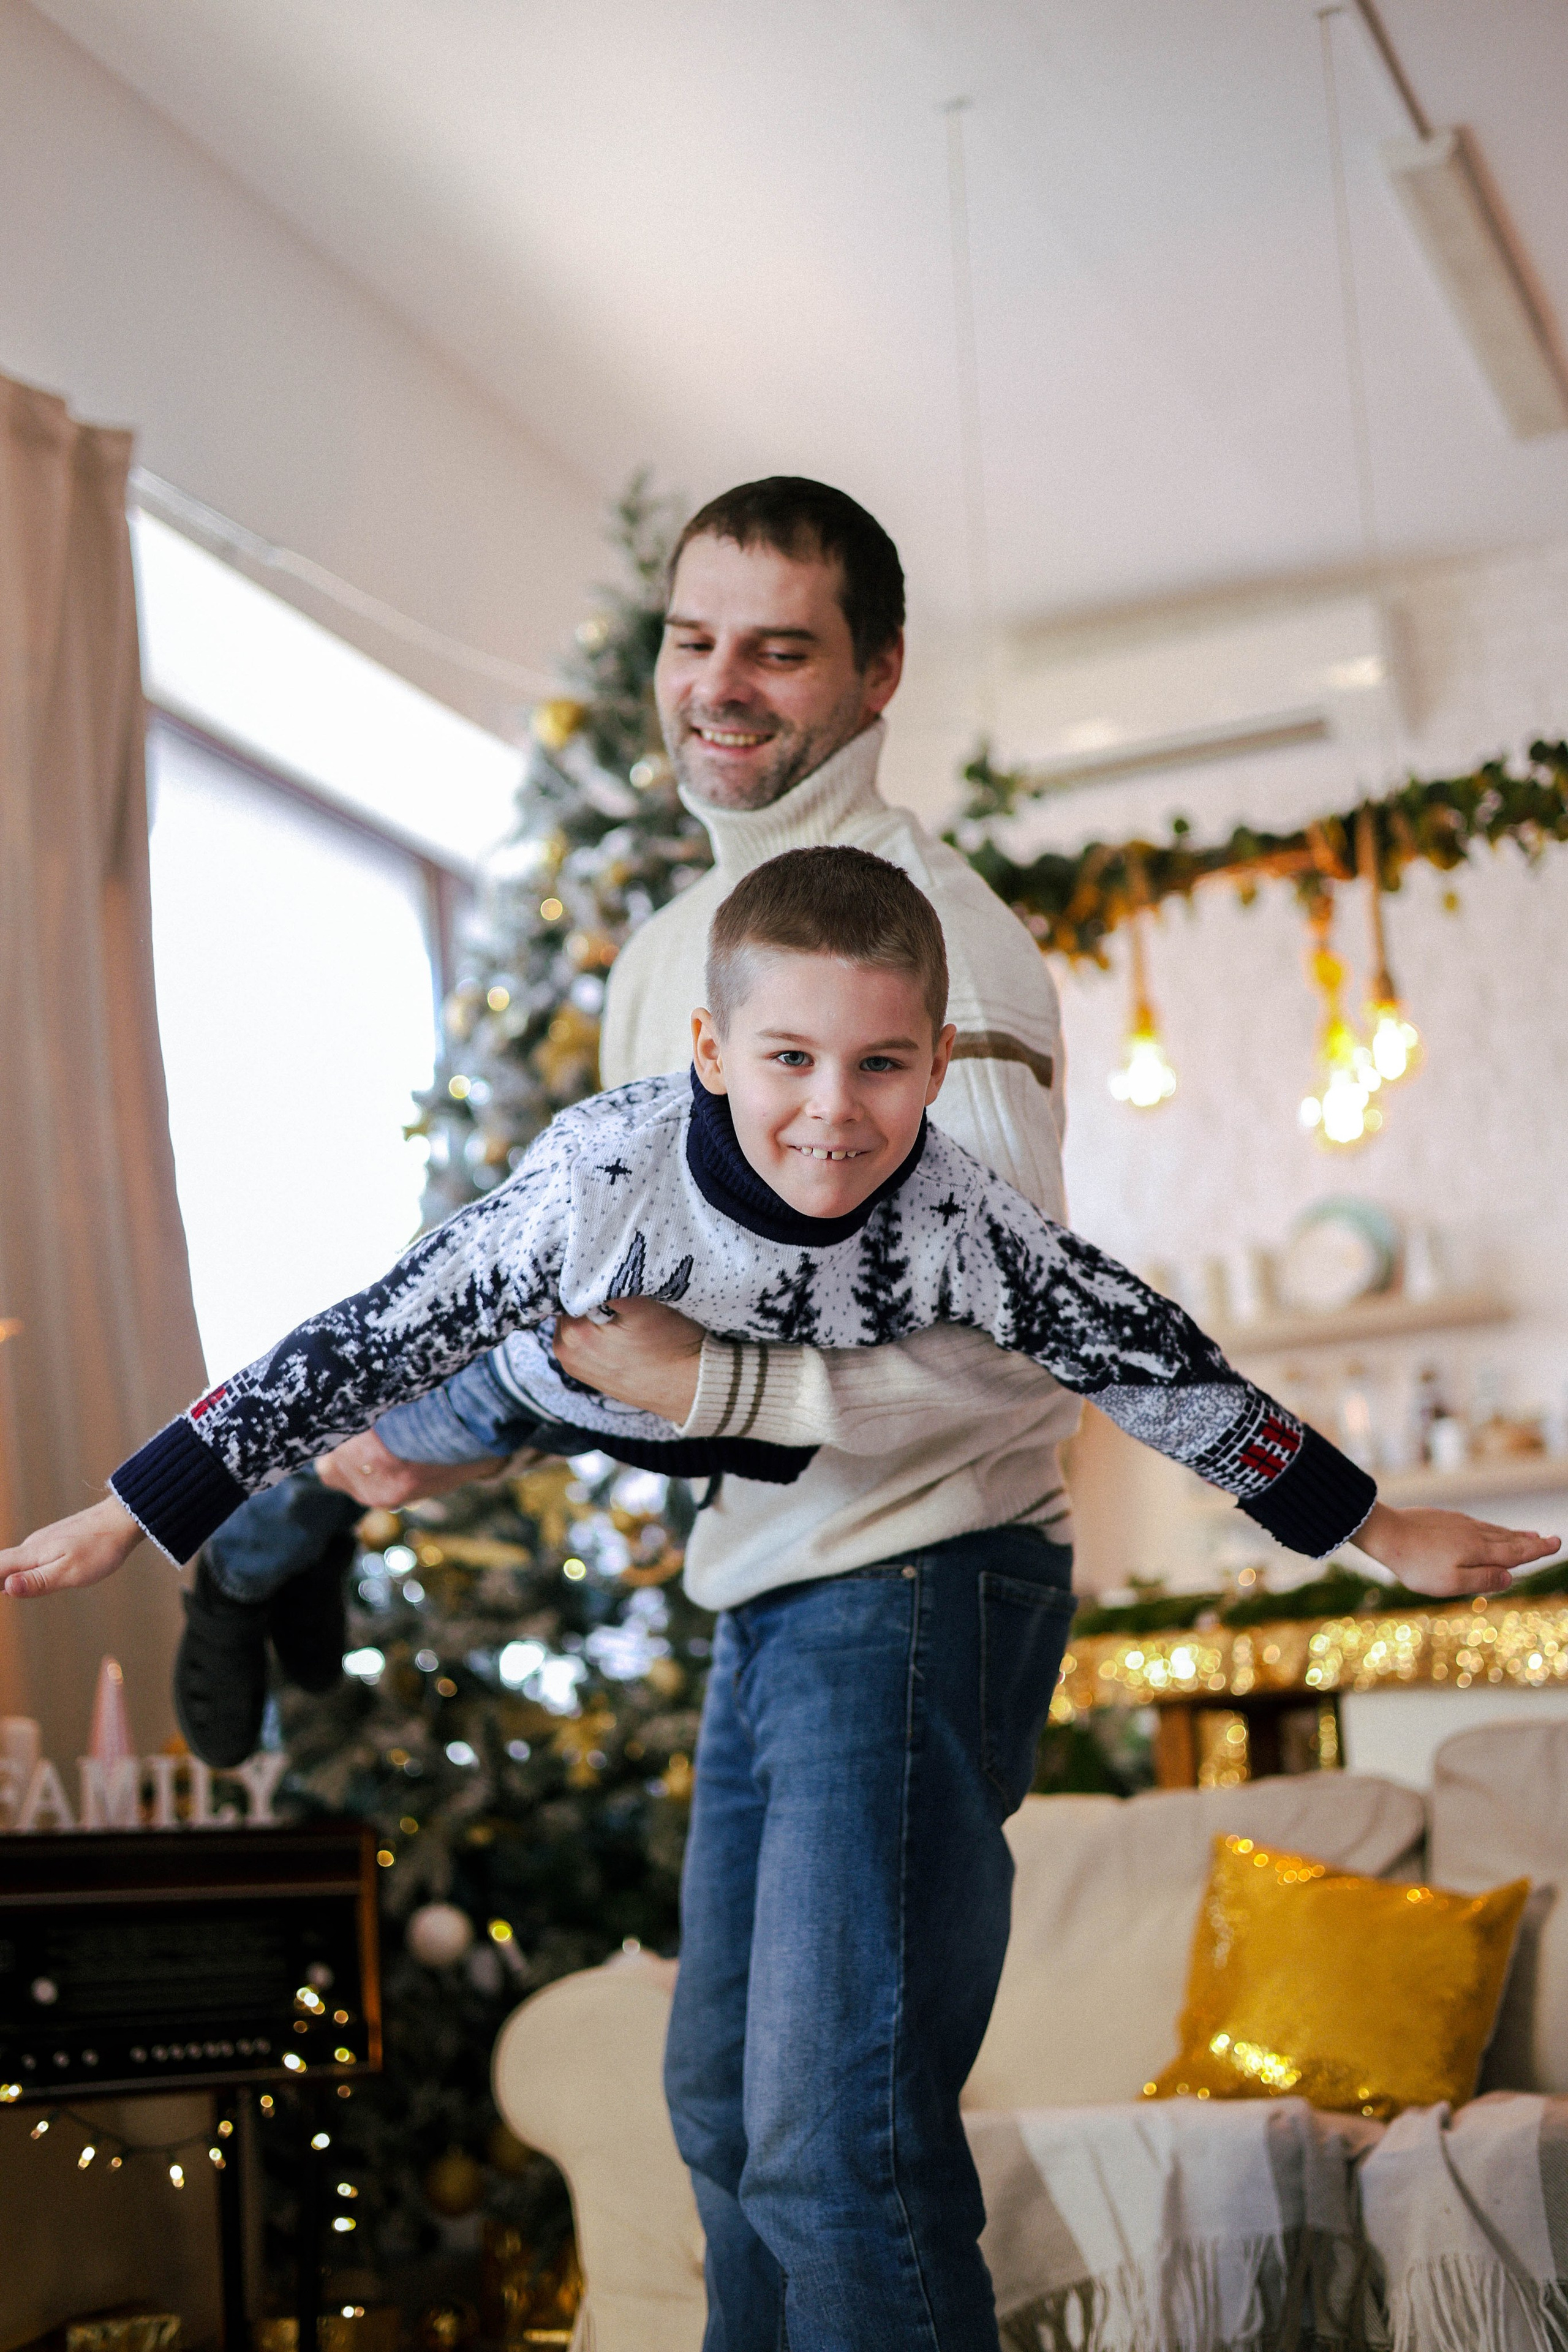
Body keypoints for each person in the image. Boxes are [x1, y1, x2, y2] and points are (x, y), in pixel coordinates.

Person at [2, 844, 1554, 2352]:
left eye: (880, 1066)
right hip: (570, 1364)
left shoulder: (958, 1219)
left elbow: (1147, 1359)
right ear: (708, 1050)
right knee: (399, 1437)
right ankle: (260, 1558)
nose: (831, 1111)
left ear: (938, 1062)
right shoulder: (596, 1184)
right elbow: (356, 1335)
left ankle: (291, 1543)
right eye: (789, 1059)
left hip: (754, 1439)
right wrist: (132, 1512)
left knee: (824, 2132)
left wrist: (1373, 1524)